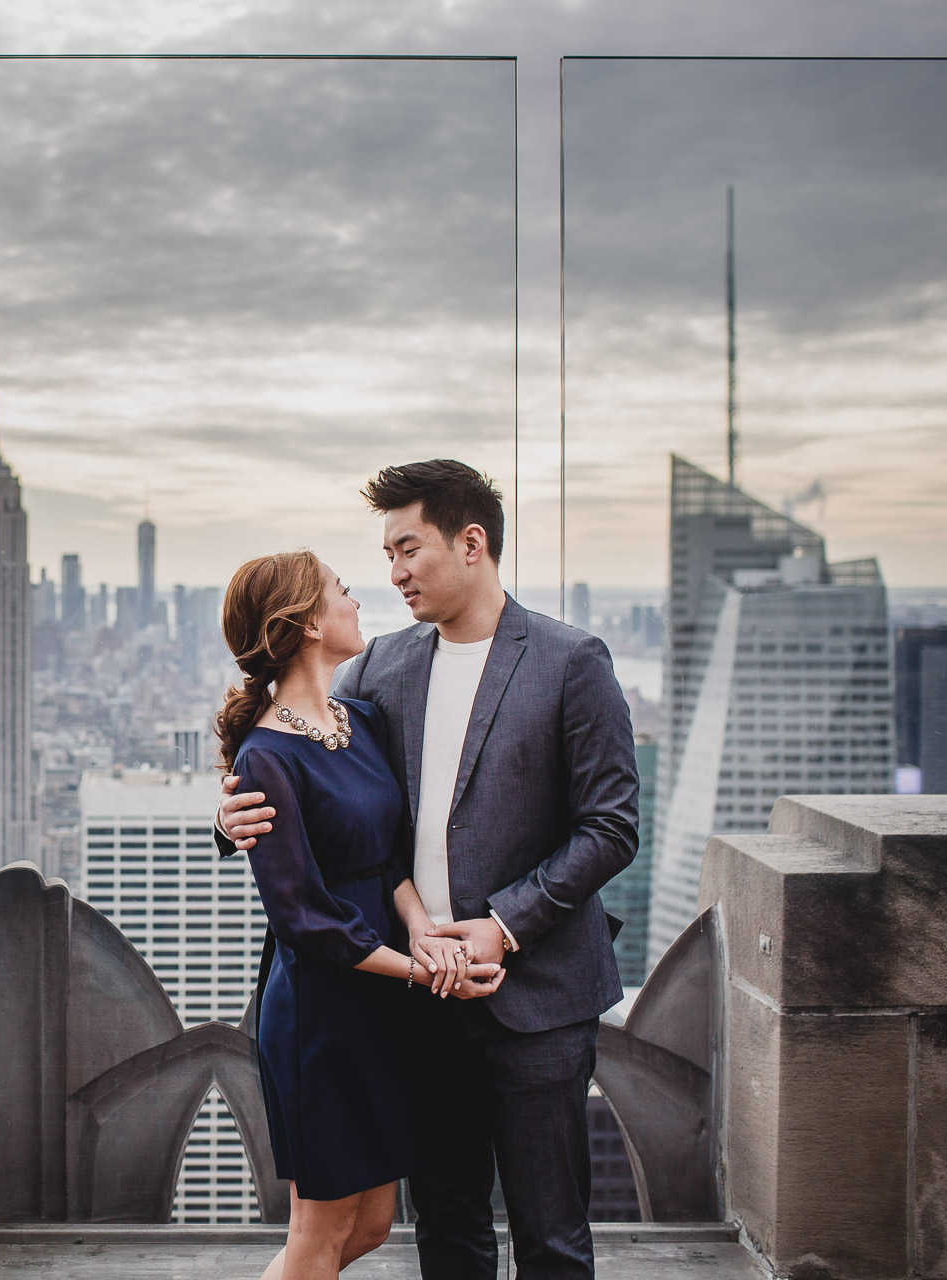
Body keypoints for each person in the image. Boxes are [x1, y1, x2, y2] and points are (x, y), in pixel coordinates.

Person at [218, 461, 639, 1280]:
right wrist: (227, 812)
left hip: (542, 999)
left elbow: (612, 826)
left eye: (408, 549)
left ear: (471, 542)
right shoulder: (382, 670)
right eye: (384, 556)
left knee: (552, 1240)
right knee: (446, 1231)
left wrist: (504, 923)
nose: (393, 573)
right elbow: (306, 766)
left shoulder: (569, 661)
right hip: (418, 1003)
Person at [215, 547, 505, 1280]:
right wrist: (421, 972)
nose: (356, 600)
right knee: (319, 1232)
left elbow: (387, 862)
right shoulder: (265, 759)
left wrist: (421, 935)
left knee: (372, 1224)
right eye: (341, 591)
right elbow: (303, 918)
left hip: (379, 1001)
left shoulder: (363, 721)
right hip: (321, 1014)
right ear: (308, 623)